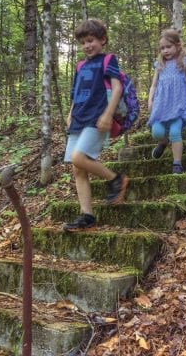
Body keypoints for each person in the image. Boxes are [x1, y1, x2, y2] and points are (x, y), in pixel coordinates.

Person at [63, 18, 129, 232]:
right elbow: (75, 91)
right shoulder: (80, 65)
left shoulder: (108, 59)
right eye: (83, 43)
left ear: (102, 40)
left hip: (97, 117)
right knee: (77, 169)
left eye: (91, 40)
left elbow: (117, 87)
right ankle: (87, 215)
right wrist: (71, 113)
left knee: (78, 157)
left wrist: (108, 115)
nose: (87, 46)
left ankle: (116, 179)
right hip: (79, 118)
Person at [147, 29, 186, 174]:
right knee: (157, 132)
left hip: (178, 103)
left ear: (177, 45)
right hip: (161, 105)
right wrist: (150, 99)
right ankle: (163, 142)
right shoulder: (159, 64)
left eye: (168, 47)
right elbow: (154, 84)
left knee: (175, 132)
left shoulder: (184, 61)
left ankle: (177, 163)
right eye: (162, 48)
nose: (165, 50)